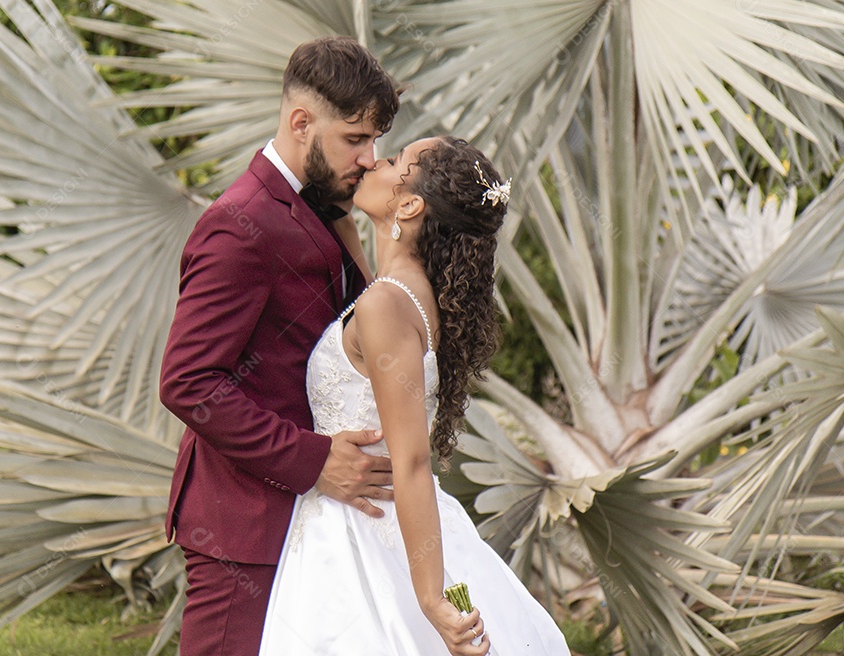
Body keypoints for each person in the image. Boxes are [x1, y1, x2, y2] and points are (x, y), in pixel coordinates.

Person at [258, 137, 571, 655]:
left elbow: (412, 459)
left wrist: (430, 600)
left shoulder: (386, 303)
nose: (375, 159)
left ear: (409, 205)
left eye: (395, 158)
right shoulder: (405, 293)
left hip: (360, 534)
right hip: (365, 519)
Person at [159, 36, 403, 656]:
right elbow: (188, 381)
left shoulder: (325, 208)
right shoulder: (238, 224)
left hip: (325, 528)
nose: (370, 159)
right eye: (355, 139)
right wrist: (314, 460)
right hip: (243, 526)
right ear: (301, 123)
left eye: (375, 142)